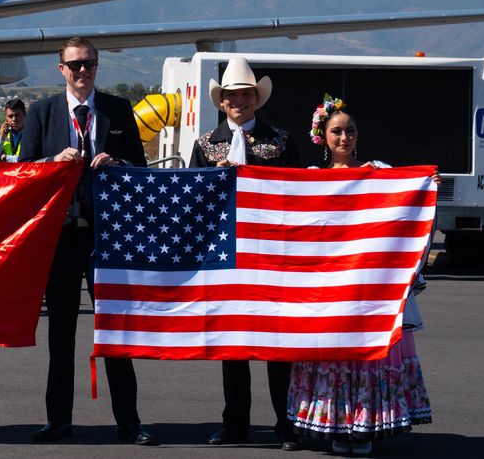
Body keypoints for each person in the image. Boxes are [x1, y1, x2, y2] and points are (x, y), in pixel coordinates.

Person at [18, 37, 157, 446]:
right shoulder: (42, 112)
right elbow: (22, 171)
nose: (82, 72)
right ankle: (58, 420)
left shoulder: (117, 109)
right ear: (60, 68)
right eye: (75, 65)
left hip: (106, 238)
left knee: (115, 331)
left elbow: (141, 168)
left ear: (97, 67)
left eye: (89, 65)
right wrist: (51, 163)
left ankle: (129, 423)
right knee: (60, 334)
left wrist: (119, 164)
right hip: (60, 238)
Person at [286, 96, 432, 456]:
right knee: (335, 355)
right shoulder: (312, 180)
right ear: (323, 136)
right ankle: (337, 425)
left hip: (368, 288)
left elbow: (404, 213)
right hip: (328, 291)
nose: (344, 137)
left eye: (350, 130)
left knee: (367, 355)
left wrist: (426, 187)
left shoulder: (379, 172)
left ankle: (364, 427)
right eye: (337, 131)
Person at [187, 57, 302, 451]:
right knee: (232, 343)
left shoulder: (282, 141)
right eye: (232, 96)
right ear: (222, 101)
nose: (240, 101)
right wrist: (211, 179)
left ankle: (287, 423)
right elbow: (191, 202)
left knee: (278, 344)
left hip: (273, 252)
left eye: (246, 95)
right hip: (227, 253)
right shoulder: (205, 144)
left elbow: (302, 195)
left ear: (258, 98)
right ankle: (235, 423)